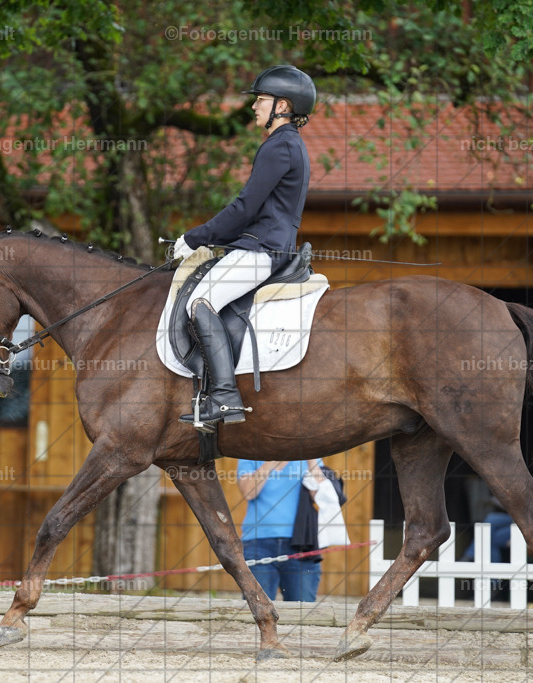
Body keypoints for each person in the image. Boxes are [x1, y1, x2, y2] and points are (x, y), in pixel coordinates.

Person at [173, 65, 316, 429]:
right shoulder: (290, 145)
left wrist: (195, 238)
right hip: (266, 246)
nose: (254, 107)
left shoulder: (279, 146)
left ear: (282, 106)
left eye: (261, 101)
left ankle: (223, 397)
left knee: (198, 303)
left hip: (261, 251)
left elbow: (245, 207)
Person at [238, 458, 330, 602]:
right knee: (256, 611)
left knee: (303, 614)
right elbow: (249, 492)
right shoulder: (249, 453)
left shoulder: (310, 454)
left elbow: (321, 496)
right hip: (257, 544)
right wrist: (274, 457)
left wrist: (311, 460)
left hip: (301, 544)